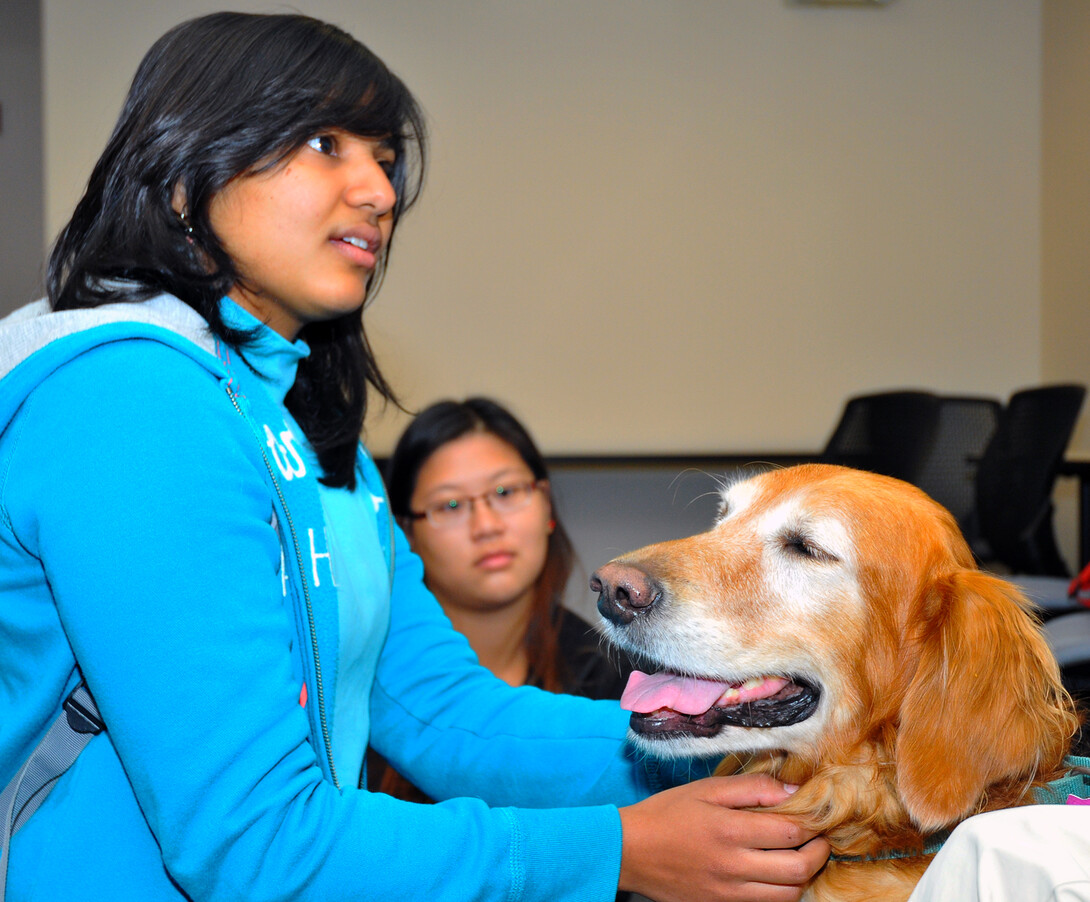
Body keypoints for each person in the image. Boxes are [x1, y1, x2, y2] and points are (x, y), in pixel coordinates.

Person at [0, 12, 829, 901]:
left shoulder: (306, 437)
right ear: (181, 173)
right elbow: (256, 843)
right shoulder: (129, 402)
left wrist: (747, 746)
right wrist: (615, 850)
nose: (379, 192)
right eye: (325, 143)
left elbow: (445, 715)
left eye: (384, 158)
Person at [369, 397, 632, 803]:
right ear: (406, 534)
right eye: (451, 505)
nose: (487, 526)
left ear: (546, 506)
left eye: (506, 492)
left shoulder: (611, 675)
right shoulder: (371, 682)